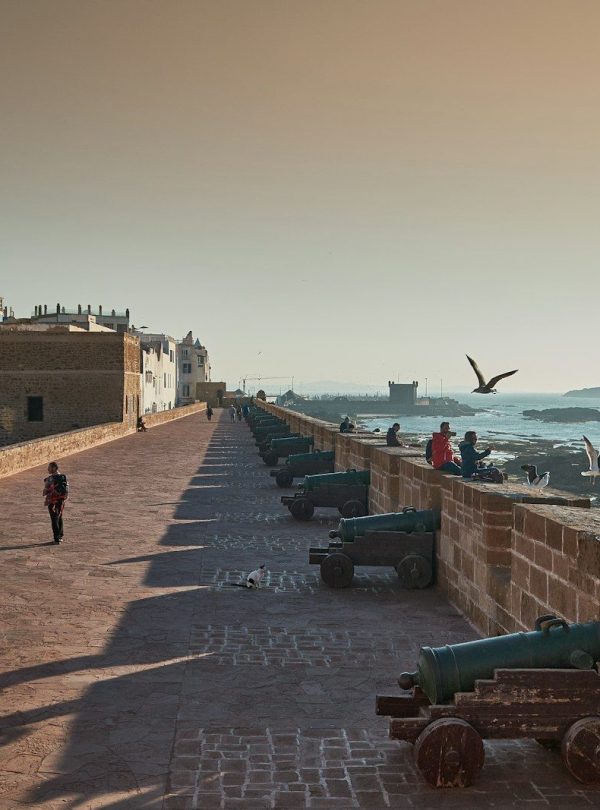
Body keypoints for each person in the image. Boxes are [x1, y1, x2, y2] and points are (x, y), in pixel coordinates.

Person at [43, 461, 69, 544]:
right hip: (61, 501)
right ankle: (60, 536)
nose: (48, 469)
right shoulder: (63, 477)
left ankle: (56, 538)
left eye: (49, 468)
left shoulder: (50, 479)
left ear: (54, 468)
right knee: (59, 517)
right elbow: (67, 489)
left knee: (54, 519)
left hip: (52, 501)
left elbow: (45, 492)